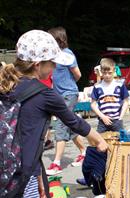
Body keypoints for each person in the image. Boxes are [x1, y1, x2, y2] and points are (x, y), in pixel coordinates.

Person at [0, 29, 108, 198]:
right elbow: (74, 121)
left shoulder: (5, 85)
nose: (56, 67)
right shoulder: (44, 95)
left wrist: (39, 177)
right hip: (21, 179)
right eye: (52, 62)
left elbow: (23, 138)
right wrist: (100, 141)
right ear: (37, 64)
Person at [77, 58, 129, 194]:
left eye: (109, 72)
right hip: (103, 122)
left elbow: (126, 101)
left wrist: (120, 116)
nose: (106, 75)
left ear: (114, 71)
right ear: (101, 72)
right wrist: (102, 116)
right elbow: (93, 104)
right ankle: (94, 176)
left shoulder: (120, 85)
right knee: (99, 149)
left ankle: (118, 175)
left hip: (117, 122)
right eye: (104, 72)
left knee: (119, 148)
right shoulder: (97, 87)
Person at [46, 26, 87, 176]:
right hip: (59, 95)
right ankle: (84, 151)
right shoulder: (53, 57)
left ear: (58, 40)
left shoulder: (68, 55)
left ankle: (56, 163)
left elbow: (78, 75)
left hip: (69, 94)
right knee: (70, 124)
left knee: (61, 125)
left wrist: (69, 87)